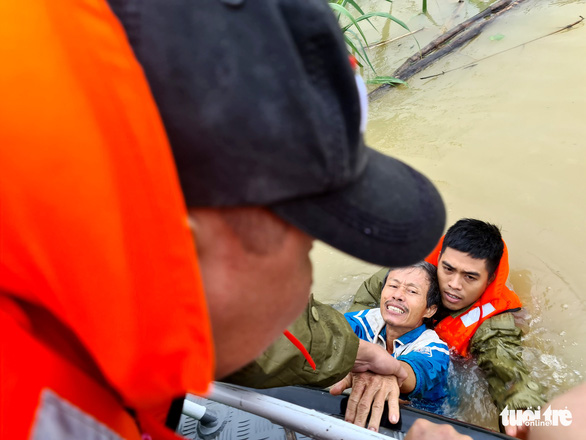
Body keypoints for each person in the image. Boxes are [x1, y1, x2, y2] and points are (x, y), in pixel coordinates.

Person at [0, 1, 446, 439]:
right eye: (307, 247)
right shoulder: (40, 414)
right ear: (186, 245)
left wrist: (352, 353)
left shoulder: (80, 278)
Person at [345, 218, 547, 433]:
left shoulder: (495, 325)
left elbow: (507, 369)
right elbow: (357, 318)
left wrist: (520, 409)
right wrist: (364, 363)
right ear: (439, 259)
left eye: (470, 277)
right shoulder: (404, 277)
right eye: (448, 269)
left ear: (490, 279)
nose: (454, 284)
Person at [343, 262, 450, 417]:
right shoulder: (363, 321)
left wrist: (390, 372)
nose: (397, 295)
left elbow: (418, 368)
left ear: (429, 310)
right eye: (393, 286)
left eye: (412, 291)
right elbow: (332, 336)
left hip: (420, 421)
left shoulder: (435, 349)